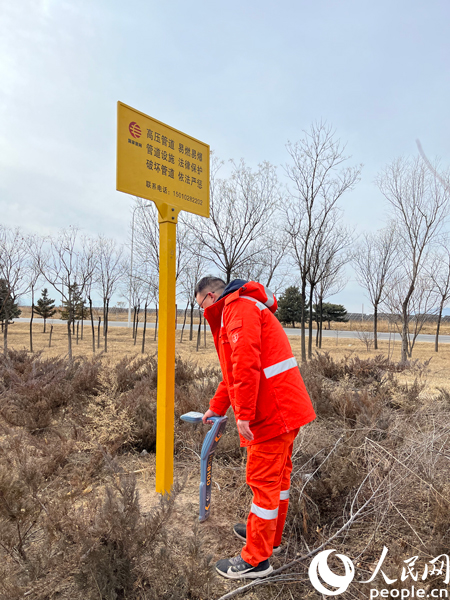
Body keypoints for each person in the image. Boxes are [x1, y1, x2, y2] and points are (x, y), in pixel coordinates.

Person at [195, 276, 316, 580]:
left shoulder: (238, 309)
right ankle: (269, 540)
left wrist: (244, 414)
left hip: (270, 413)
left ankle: (256, 560)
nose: (202, 311)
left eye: (201, 305)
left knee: (263, 483)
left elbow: (246, 362)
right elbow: (232, 371)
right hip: (282, 409)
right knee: (278, 480)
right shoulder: (245, 307)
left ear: (211, 296)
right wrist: (218, 406)